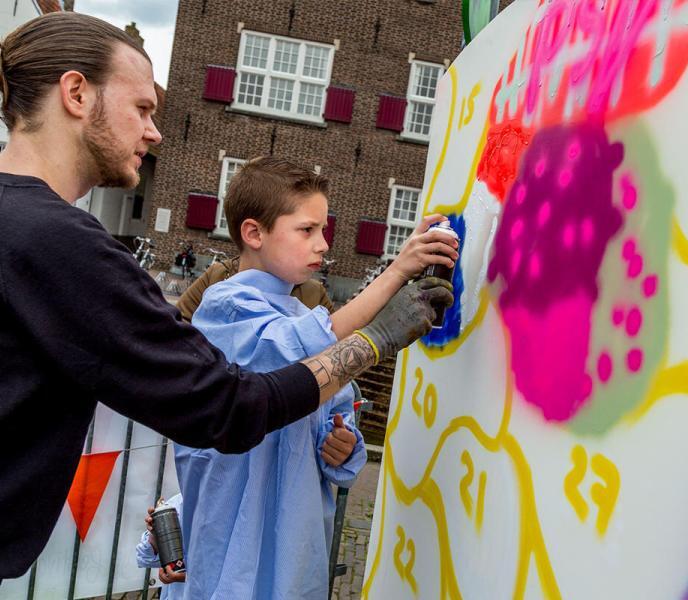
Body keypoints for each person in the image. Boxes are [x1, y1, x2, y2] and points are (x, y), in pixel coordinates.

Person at [0, 12, 454, 579]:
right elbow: (227, 406)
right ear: (75, 92)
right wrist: (376, 338)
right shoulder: (58, 244)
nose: (155, 131)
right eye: (141, 108)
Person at [175, 157, 458, 599]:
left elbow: (335, 418)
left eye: (324, 231)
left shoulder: (302, 314)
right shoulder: (224, 306)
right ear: (254, 233)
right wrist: (396, 273)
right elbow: (291, 353)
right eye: (307, 230)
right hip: (233, 542)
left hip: (293, 547)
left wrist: (340, 448)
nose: (323, 244)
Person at [176, 255, 334, 322]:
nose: (323, 246)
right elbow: (177, 326)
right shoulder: (218, 274)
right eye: (306, 230)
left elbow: (338, 350)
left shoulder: (314, 292)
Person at [136, 494, 186, 600]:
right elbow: (145, 558)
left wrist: (188, 577)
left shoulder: (227, 506)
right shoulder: (178, 501)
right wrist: (155, 535)